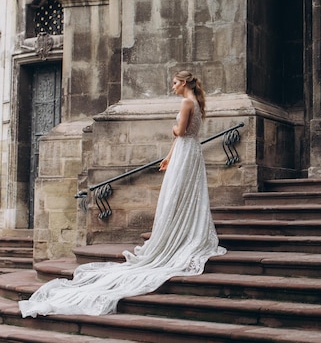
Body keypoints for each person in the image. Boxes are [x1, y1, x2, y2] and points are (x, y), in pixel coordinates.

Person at [19, 70, 226, 317]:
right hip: (189, 154)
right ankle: (181, 233)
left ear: (183, 83)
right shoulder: (197, 103)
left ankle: (174, 239)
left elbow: (180, 132)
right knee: (184, 197)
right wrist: (169, 157)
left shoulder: (185, 102)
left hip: (186, 153)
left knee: (176, 197)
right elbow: (187, 138)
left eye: (173, 83)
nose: (172, 87)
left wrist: (172, 128)